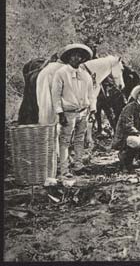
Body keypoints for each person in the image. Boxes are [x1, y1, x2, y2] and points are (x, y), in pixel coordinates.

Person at [51, 43, 96, 179]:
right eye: (73, 55)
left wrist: (92, 110)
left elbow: (91, 94)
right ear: (68, 58)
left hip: (83, 112)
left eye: (79, 56)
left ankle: (78, 165)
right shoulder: (61, 73)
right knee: (65, 140)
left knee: (79, 139)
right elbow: (56, 95)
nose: (77, 58)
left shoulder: (85, 75)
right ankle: (64, 169)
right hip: (68, 112)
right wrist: (60, 113)